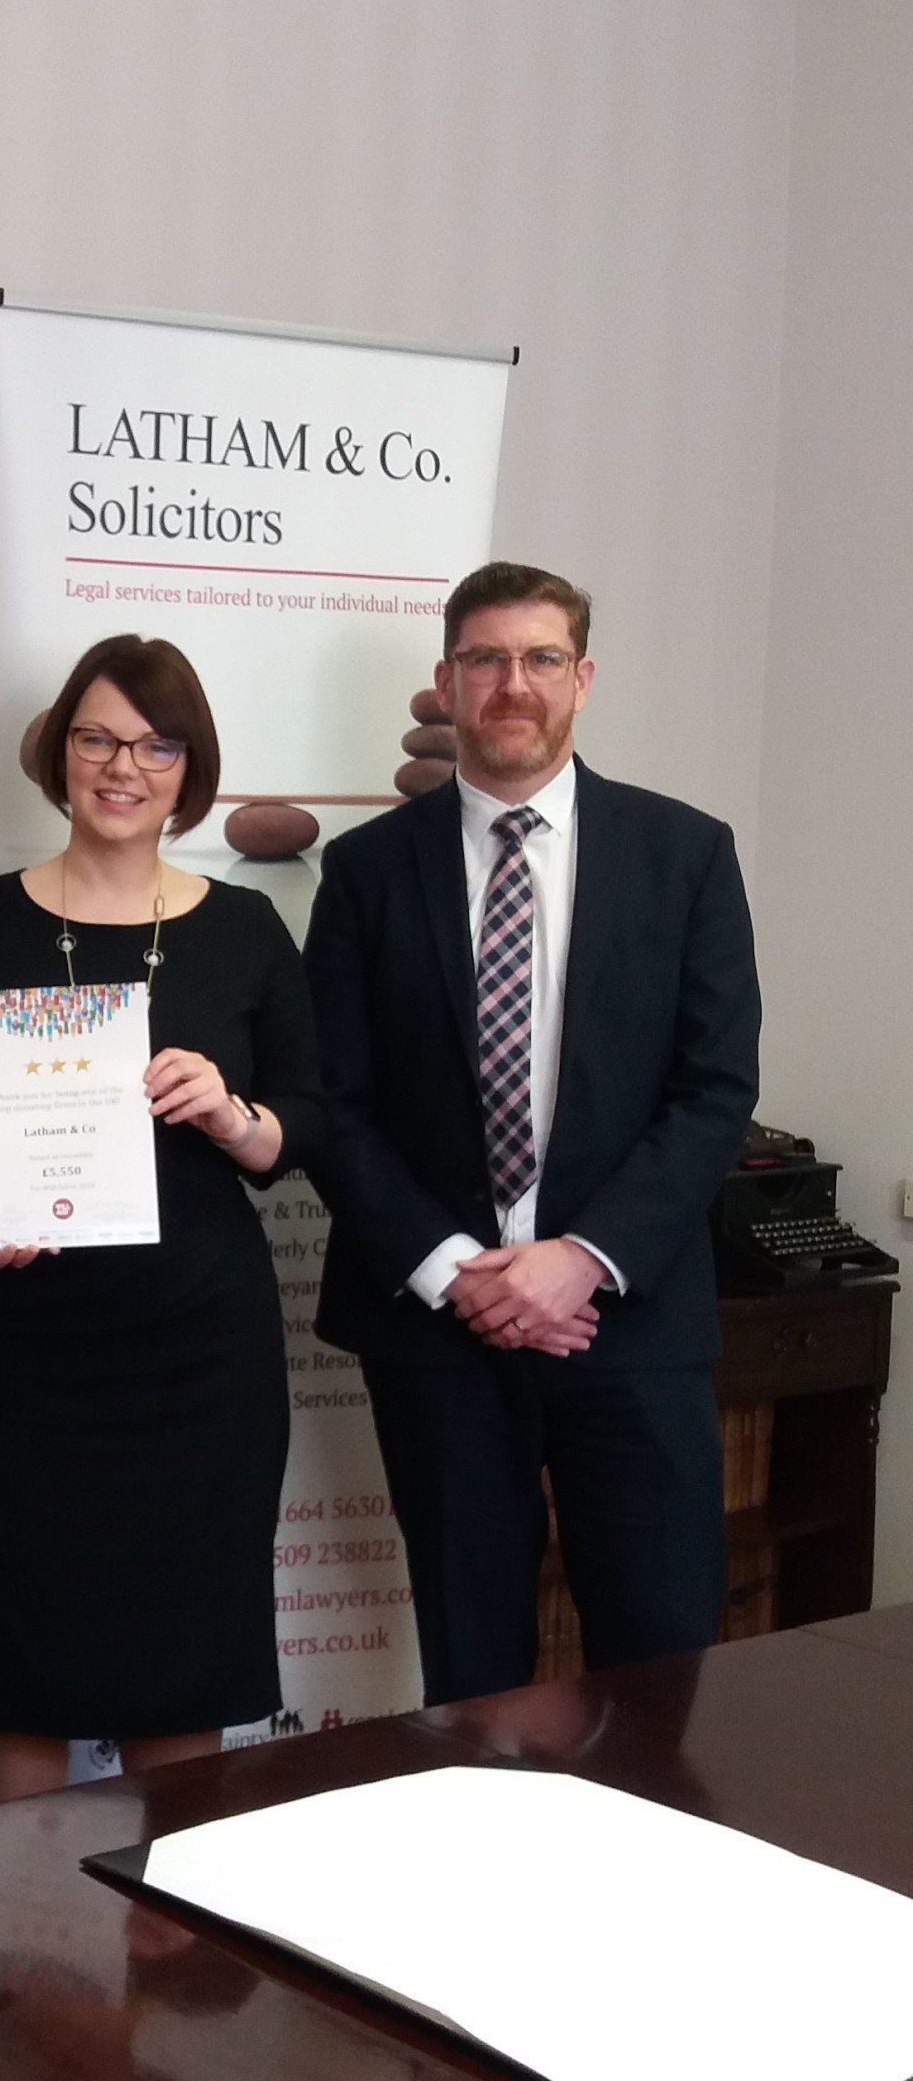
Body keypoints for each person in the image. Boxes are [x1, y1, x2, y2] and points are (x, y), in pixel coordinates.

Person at [303, 561, 760, 1704]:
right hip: (441, 1338)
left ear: (584, 677)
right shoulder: (364, 872)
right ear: (448, 681)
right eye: (488, 660)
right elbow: (332, 1100)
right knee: (472, 1675)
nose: (515, 684)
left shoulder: (685, 855)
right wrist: (461, 1272)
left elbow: (714, 1089)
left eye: (542, 658)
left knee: (660, 1666)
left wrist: (580, 1260)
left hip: (630, 1326)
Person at [0, 634, 323, 1802]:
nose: (123, 764)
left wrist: (234, 1118)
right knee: (17, 1656)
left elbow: (306, 1127)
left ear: (189, 767)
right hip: (24, 1354)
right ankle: (23, 1956)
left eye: (154, 743)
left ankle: (164, 1967)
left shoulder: (245, 932)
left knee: (181, 1663)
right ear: (59, 752)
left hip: (198, 1362)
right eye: (97, 737)